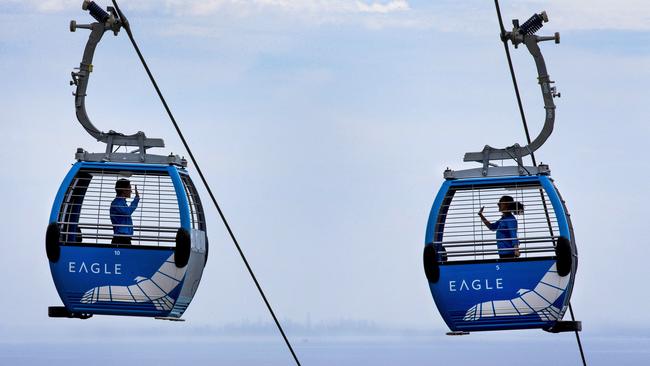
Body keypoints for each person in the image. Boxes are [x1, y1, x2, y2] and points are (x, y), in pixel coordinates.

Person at [110, 178, 140, 245]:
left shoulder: (122, 203)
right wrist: (136, 199)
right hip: (120, 240)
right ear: (124, 190)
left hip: (125, 239)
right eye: (129, 188)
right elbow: (127, 212)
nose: (131, 191)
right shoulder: (117, 203)